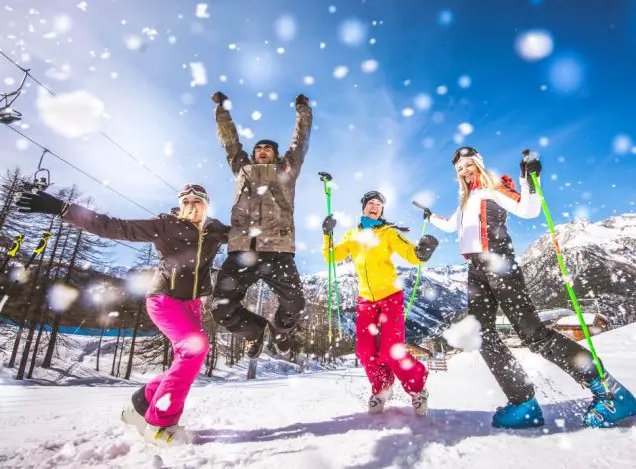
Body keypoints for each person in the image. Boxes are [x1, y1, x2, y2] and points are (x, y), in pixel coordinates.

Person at [424, 146, 636, 428]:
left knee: (533, 334)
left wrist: (528, 180)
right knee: (481, 334)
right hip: (476, 269)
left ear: (478, 163)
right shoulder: (466, 201)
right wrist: (430, 218)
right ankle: (523, 402)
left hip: (499, 264)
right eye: (459, 169)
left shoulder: (495, 188)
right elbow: (451, 224)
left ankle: (610, 392)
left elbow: (529, 209)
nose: (464, 171)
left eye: (468, 165)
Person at [16, 184, 229, 446]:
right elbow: (113, 225)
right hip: (165, 299)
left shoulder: (214, 229)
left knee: (189, 359)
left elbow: (249, 237)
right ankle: (160, 425)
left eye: (197, 201)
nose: (191, 205)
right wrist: (62, 209)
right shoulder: (165, 224)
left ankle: (142, 403)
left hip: (192, 305)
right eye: (186, 201)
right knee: (195, 348)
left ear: (206, 206)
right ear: (179, 204)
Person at [209, 91, 312, 358]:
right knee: (221, 308)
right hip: (242, 250)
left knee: (296, 304)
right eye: (259, 148)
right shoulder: (242, 168)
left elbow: (299, 143)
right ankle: (253, 332)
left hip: (278, 249)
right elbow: (230, 142)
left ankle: (279, 331)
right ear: (253, 154)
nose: (263, 151)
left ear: (276, 154)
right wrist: (222, 110)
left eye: (268, 148)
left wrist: (303, 111)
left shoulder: (286, 171)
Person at [322, 191, 439, 417]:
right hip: (365, 299)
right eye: (370, 204)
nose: (374, 207)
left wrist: (421, 253)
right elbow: (331, 257)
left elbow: (410, 254)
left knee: (391, 351)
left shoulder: (388, 233)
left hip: (390, 297)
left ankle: (417, 389)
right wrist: (327, 234)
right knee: (365, 351)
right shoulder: (351, 236)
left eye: (378, 205)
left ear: (381, 211)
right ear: (363, 208)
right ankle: (382, 387)